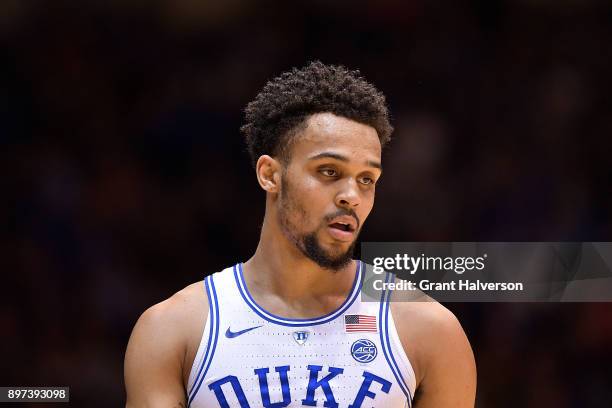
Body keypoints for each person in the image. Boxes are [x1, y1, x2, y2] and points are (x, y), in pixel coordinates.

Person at [124, 61, 476, 407]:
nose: (351, 196)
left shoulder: (429, 330)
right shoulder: (175, 329)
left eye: (366, 179)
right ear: (270, 175)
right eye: (329, 171)